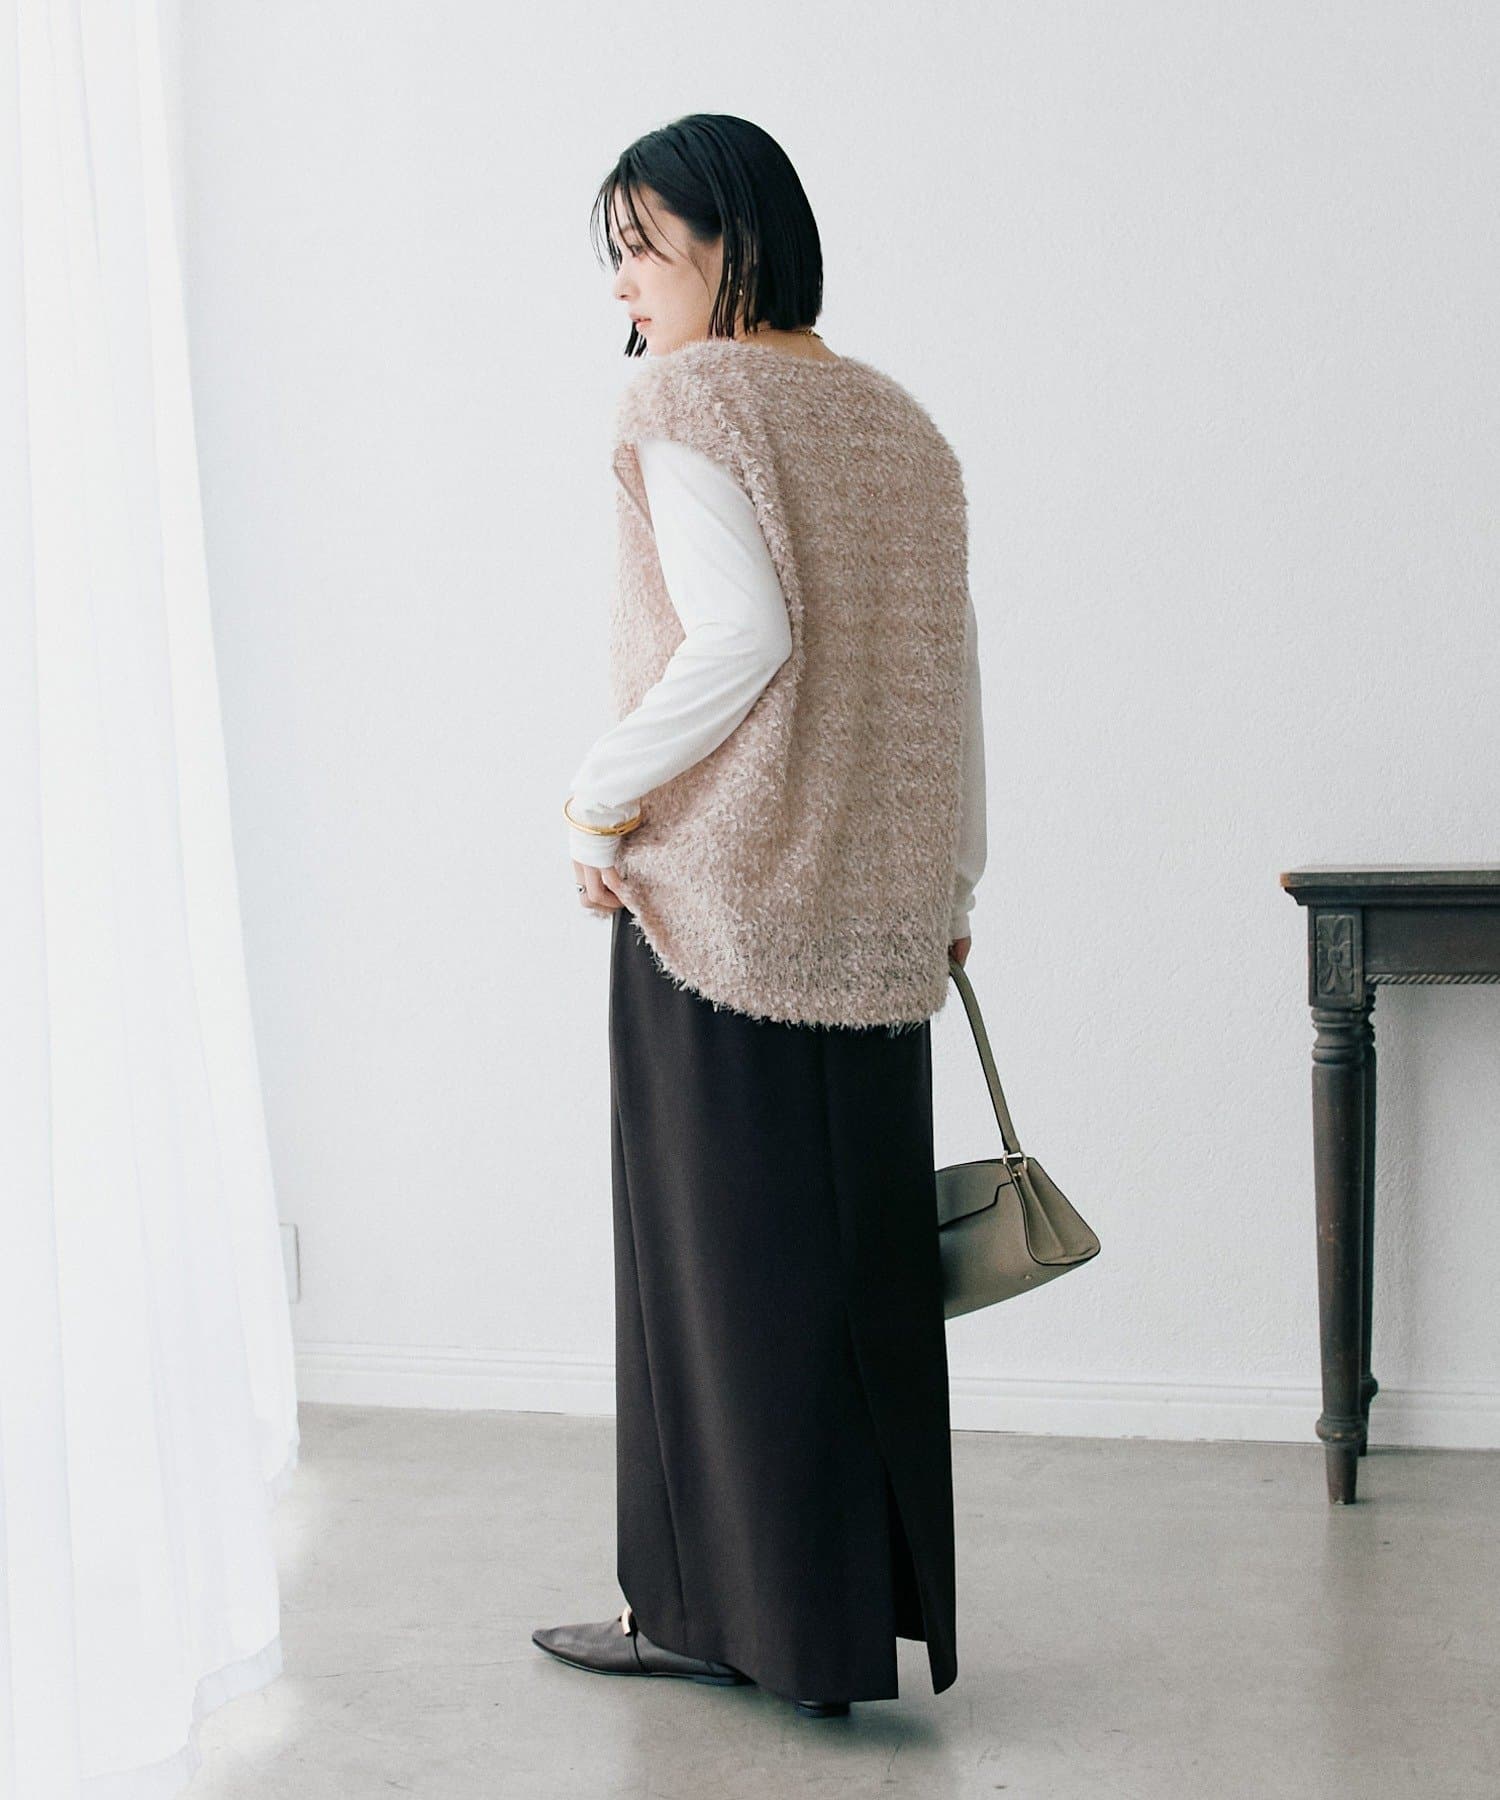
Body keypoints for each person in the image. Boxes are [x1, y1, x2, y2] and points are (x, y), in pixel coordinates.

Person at [533, 114, 987, 1722]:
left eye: (643, 247)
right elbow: (948, 679)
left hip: (719, 913)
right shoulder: (900, 424)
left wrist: (596, 797)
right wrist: (953, 877)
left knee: (709, 1285)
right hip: (876, 918)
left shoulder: (687, 398)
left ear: (733, 242)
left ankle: (703, 1618)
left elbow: (739, 637)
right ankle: (831, 1632)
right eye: (613, 254)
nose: (623, 284)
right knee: (851, 1284)